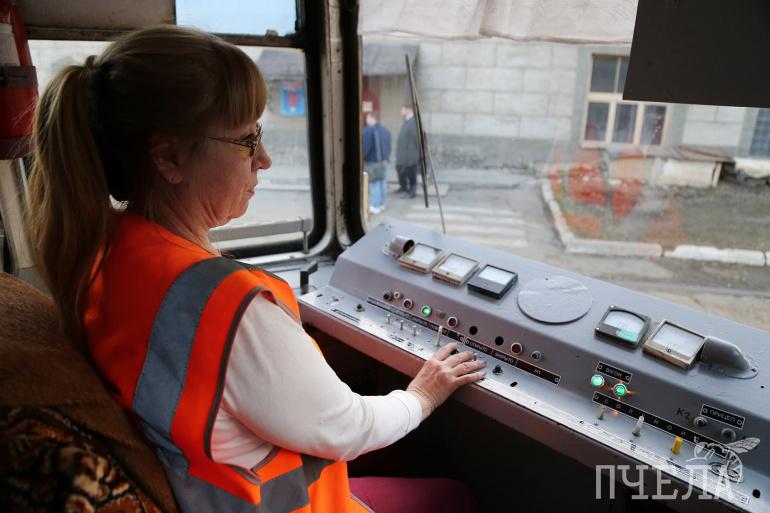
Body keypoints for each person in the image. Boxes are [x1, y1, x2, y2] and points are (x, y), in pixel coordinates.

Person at [26, 26, 485, 513]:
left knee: (413, 453)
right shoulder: (230, 308)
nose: (263, 160)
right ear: (169, 158)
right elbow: (350, 428)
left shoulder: (103, 255)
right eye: (246, 140)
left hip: (206, 486)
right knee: (451, 496)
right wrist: (423, 394)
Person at [362, 111, 391, 214]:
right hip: (384, 161)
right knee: (382, 183)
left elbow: (366, 147)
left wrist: (362, 158)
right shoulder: (386, 130)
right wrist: (386, 158)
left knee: (374, 184)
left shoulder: (368, 131)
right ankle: (382, 204)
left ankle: (375, 206)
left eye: (367, 118)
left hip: (372, 162)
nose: (366, 120)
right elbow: (388, 146)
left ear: (372, 118)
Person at [396, 104, 420, 198]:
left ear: (408, 110)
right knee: (401, 171)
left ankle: (412, 191)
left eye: (402, 109)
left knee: (411, 173)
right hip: (403, 153)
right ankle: (404, 188)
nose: (401, 111)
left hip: (410, 154)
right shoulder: (407, 120)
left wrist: (414, 153)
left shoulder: (413, 121)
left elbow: (416, 139)